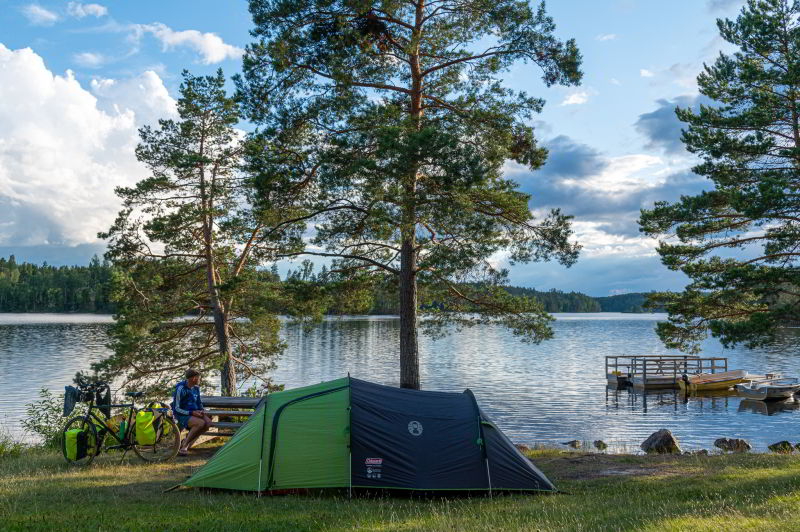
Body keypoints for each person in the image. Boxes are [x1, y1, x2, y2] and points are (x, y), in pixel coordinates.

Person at [172, 368, 211, 456]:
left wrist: (202, 412)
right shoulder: (180, 389)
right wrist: (191, 413)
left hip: (195, 413)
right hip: (181, 414)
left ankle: (187, 442)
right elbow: (176, 408)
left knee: (208, 423)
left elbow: (199, 403)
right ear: (193, 378)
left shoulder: (196, 388)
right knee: (200, 423)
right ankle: (184, 445)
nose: (200, 380)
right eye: (199, 378)